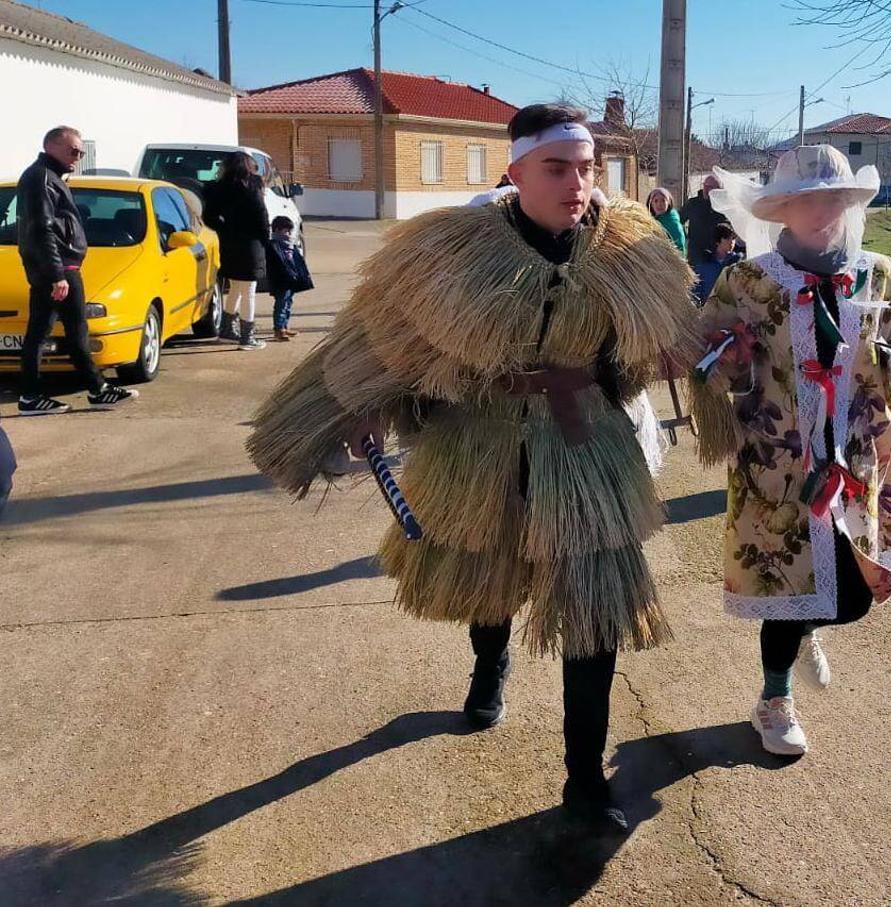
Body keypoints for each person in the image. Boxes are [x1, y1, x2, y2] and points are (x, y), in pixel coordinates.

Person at [247, 103, 698, 830]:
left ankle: (584, 780)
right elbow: (383, 342)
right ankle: (489, 662)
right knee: (488, 580)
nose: (576, 183)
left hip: (588, 449)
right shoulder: (456, 250)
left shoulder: (628, 251)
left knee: (596, 612)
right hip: (482, 443)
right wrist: (367, 407)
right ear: (515, 171)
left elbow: (649, 353)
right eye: (557, 168)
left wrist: (685, 360)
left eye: (586, 168)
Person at [689, 145, 891, 757]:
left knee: (853, 595)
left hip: (858, 460)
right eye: (806, 199)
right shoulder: (746, 282)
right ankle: (774, 700)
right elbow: (708, 371)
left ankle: (806, 627)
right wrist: (732, 363)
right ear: (783, 210)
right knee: (783, 584)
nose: (822, 209)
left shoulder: (887, 275)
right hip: (779, 462)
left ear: (851, 203)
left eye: (835, 197)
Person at [16, 126, 138, 415]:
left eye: (81, 152)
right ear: (52, 147)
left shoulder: (49, 177)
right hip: (57, 268)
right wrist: (57, 273)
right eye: (73, 151)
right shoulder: (41, 178)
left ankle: (96, 388)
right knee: (49, 331)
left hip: (59, 265)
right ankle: (34, 396)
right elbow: (41, 228)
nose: (78, 156)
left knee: (71, 329)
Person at [202, 152, 270, 351]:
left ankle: (227, 329)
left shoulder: (220, 188)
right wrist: (266, 238)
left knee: (236, 287)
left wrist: (225, 229)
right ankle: (247, 336)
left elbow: (209, 216)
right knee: (248, 290)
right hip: (250, 244)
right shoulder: (252, 185)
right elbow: (261, 213)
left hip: (229, 243)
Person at [265, 215, 314, 343]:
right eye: (285, 231)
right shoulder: (273, 246)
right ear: (276, 230)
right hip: (281, 280)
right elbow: (275, 265)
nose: (288, 234)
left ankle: (285, 326)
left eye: (289, 231)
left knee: (288, 303)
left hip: (291, 280)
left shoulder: (291, 245)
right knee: (281, 304)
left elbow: (298, 262)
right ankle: (279, 329)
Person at [679, 173, 731, 269]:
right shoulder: (693, 204)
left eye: (710, 187)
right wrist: (685, 237)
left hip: (717, 256)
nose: (706, 189)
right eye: (705, 186)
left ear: (718, 190)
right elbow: (678, 221)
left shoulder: (724, 207)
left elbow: (731, 229)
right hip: (696, 255)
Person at [693, 222, 743, 303]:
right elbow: (696, 289)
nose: (731, 242)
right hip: (707, 309)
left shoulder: (737, 262)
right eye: (727, 238)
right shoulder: (705, 262)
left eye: (733, 238)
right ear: (718, 241)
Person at [646, 187, 686, 255]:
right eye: (656, 201)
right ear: (651, 204)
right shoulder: (649, 221)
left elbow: (679, 248)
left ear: (669, 203)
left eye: (663, 200)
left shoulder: (673, 223)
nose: (659, 204)